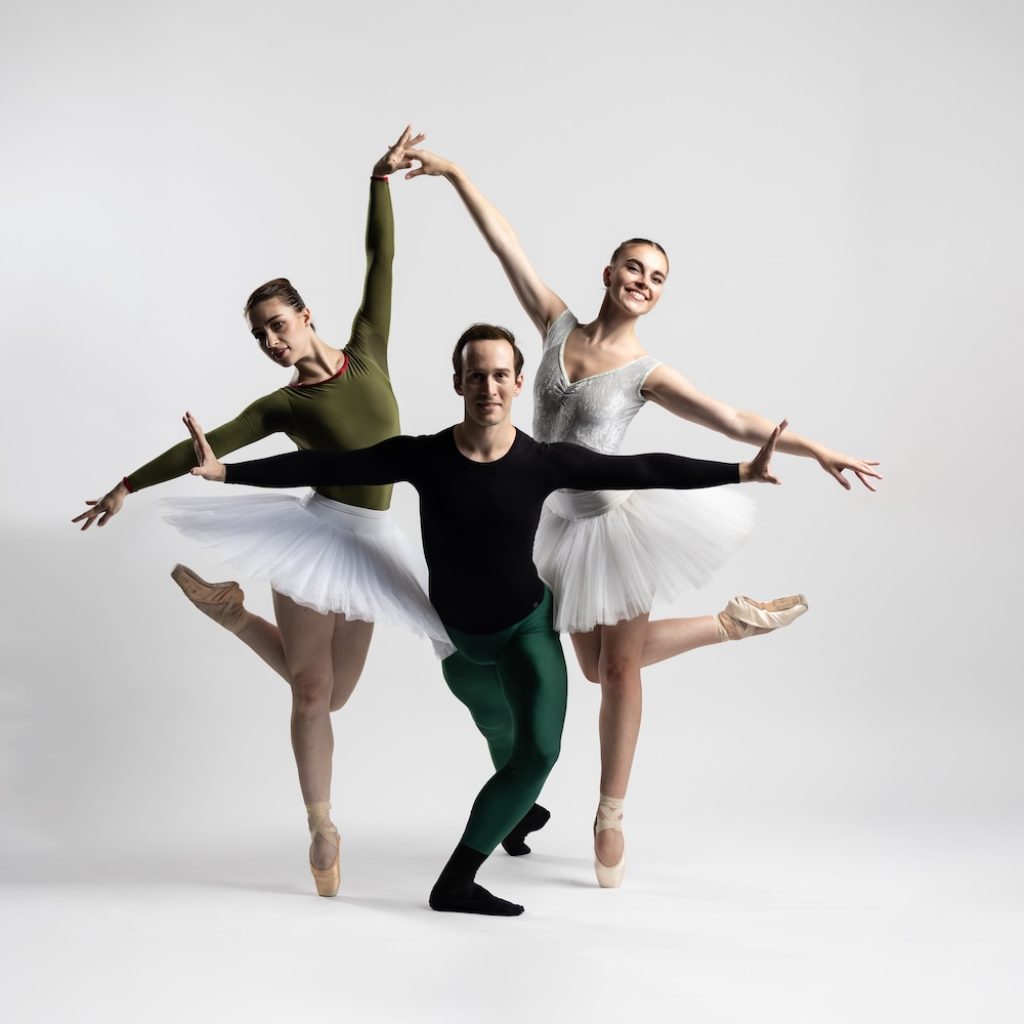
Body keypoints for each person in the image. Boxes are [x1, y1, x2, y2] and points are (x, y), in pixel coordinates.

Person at [182, 323, 786, 916]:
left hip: (526, 632)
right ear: (458, 383)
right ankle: (518, 815)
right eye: (477, 375)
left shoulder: (544, 462)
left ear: (519, 382)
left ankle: (456, 882)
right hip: (458, 648)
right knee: (501, 737)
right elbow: (321, 465)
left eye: (501, 375)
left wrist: (738, 470)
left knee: (537, 753)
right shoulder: (423, 457)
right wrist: (226, 472)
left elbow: (647, 468)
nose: (489, 387)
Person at [404, 149, 881, 886]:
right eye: (634, 268)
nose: (643, 283)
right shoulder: (556, 328)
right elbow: (507, 245)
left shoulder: (646, 373)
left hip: (614, 527)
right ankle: (731, 624)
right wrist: (455, 174)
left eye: (657, 278)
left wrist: (819, 449)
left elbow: (729, 418)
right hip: (547, 524)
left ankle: (610, 813)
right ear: (608, 273)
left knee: (618, 673)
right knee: (592, 668)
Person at [72, 128, 453, 898]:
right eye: (260, 336)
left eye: (278, 325)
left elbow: (382, 263)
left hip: (375, 543)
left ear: (307, 315)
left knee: (340, 692)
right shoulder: (281, 404)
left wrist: (377, 181)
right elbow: (205, 452)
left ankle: (235, 616)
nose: (272, 342)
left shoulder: (368, 349)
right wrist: (126, 485)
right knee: (311, 692)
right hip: (313, 539)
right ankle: (322, 826)